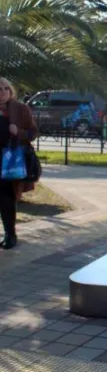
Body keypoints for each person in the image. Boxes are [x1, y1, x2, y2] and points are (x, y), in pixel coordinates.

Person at [0, 78, 38, 250]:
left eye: (5, 88)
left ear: (10, 91)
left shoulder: (20, 109)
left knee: (7, 199)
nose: (2, 92)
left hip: (10, 162)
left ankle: (10, 235)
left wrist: (19, 133)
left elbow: (33, 132)